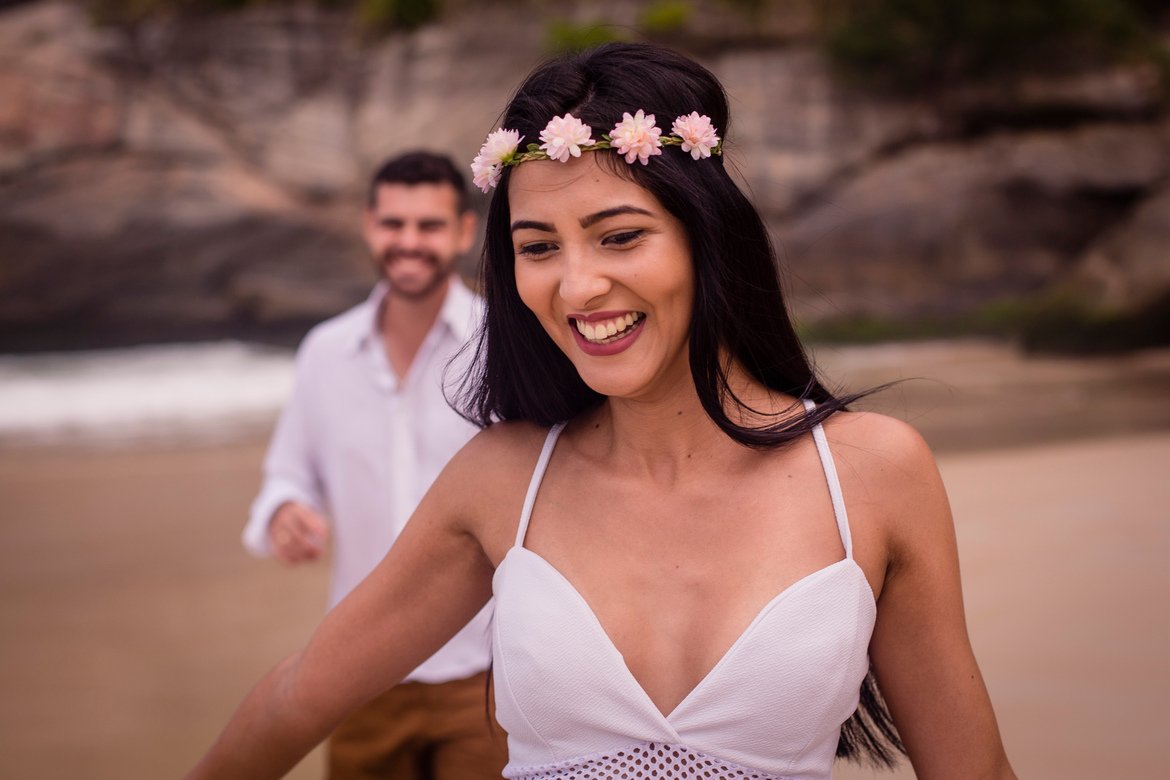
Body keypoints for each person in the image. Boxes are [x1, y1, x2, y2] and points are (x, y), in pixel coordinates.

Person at [190, 44, 1017, 780]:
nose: (577, 288)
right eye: (538, 247)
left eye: (619, 236)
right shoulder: (504, 480)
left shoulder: (871, 474)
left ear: (706, 236)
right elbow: (298, 696)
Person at [240, 151, 507, 780]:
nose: (409, 242)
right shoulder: (324, 352)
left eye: (429, 225)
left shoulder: (503, 346)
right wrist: (283, 510)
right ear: (368, 225)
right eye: (394, 224)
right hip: (359, 672)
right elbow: (287, 472)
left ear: (464, 231)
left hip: (488, 675)